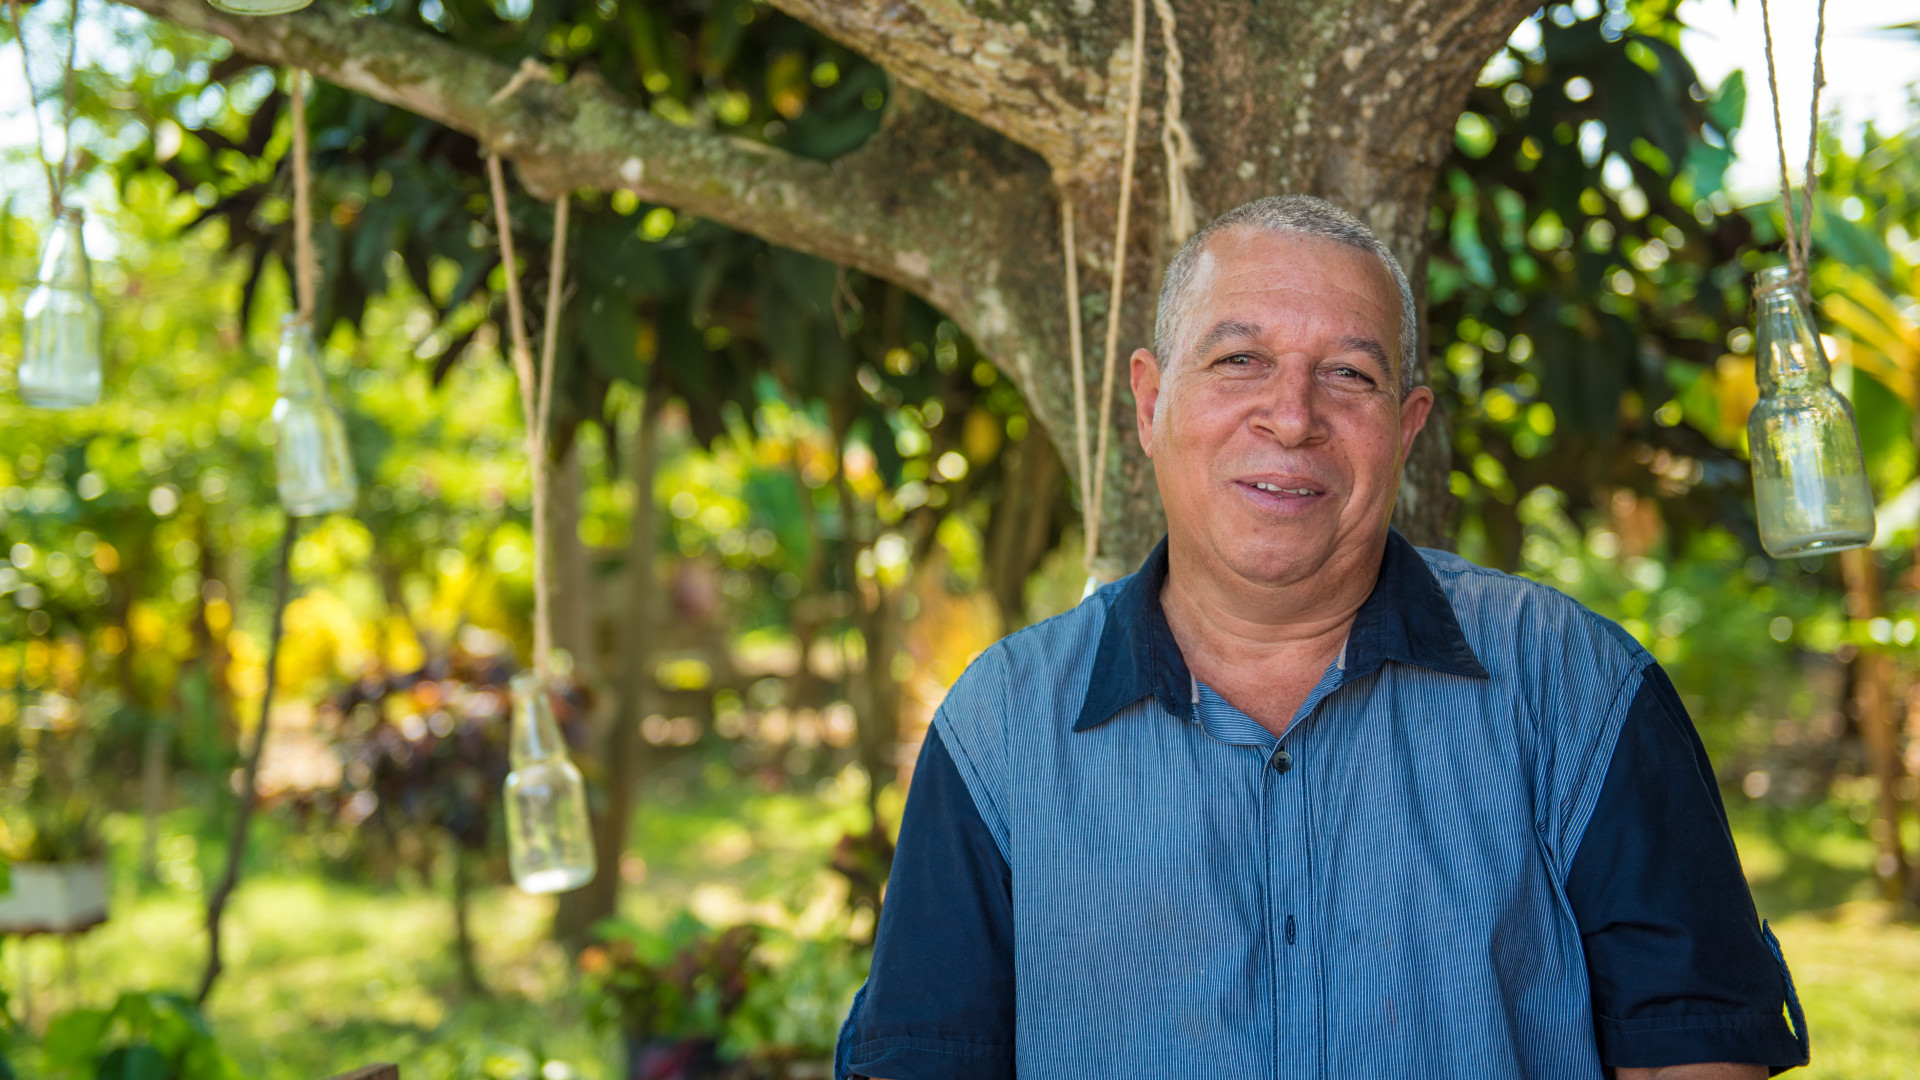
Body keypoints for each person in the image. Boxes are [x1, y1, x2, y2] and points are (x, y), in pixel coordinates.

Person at [833, 195, 1808, 1079]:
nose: (1293, 418)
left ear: (1407, 427)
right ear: (1149, 401)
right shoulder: (1004, 726)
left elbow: (1695, 1053)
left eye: (1349, 374)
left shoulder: (1573, 684)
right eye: (1240, 361)